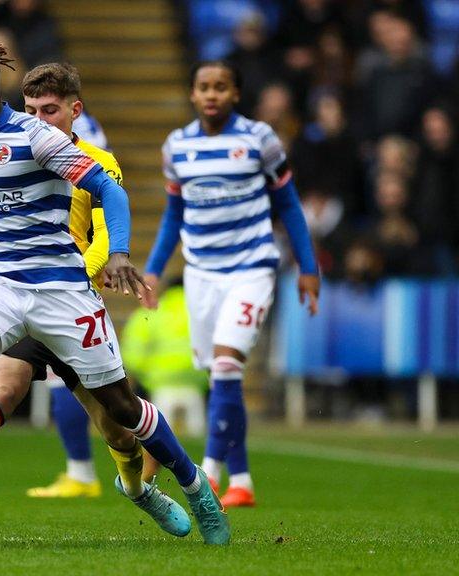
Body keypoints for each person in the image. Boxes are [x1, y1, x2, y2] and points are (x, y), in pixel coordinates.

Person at [0, 39, 229, 545]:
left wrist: (117, 252)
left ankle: (192, 485)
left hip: (61, 293)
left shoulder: (38, 139)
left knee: (122, 410)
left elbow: (110, 190)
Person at [142, 60, 320, 508]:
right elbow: (173, 216)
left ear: (235, 94)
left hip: (251, 268)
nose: (212, 94)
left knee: (225, 367)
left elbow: (291, 206)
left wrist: (308, 266)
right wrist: (154, 269)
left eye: (221, 87)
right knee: (223, 376)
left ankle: (211, 474)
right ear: (193, 94)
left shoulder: (259, 139)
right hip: (201, 274)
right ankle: (242, 480)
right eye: (204, 87)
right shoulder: (176, 146)